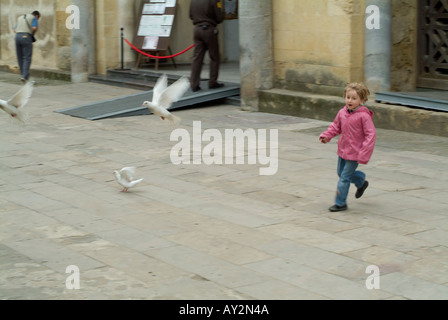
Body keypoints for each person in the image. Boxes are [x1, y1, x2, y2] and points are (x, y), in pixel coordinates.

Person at [319, 82, 377, 212]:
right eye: (348, 97)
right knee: (340, 173)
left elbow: (371, 134)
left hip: (355, 153)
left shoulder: (364, 116)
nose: (350, 100)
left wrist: (364, 152)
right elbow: (335, 127)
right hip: (343, 150)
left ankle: (340, 203)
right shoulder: (342, 113)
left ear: (361, 100)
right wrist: (327, 136)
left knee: (344, 177)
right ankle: (361, 181)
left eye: (354, 98)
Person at [189, 0, 224, 92]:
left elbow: (191, 15)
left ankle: (194, 84)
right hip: (209, 29)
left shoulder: (193, 1)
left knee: (197, 58)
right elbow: (219, 17)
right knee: (214, 57)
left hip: (197, 29)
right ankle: (213, 82)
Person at [13, 10, 40, 82]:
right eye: (38, 18)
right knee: (27, 57)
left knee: (20, 57)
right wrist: (32, 33)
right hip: (26, 37)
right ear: (37, 16)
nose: (37, 20)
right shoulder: (33, 18)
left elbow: (14, 29)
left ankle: (24, 75)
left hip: (17, 37)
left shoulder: (20, 17)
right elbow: (34, 28)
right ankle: (24, 76)